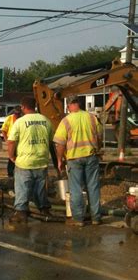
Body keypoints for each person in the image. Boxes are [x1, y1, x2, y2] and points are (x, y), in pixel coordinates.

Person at [53, 95, 103, 227]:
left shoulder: (66, 121)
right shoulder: (92, 118)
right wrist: (97, 149)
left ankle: (78, 218)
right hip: (91, 156)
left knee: (76, 189)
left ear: (69, 106)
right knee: (93, 187)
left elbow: (60, 144)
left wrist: (59, 159)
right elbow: (99, 137)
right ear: (79, 104)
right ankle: (96, 218)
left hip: (74, 159)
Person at [7, 96, 53, 223]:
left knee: (22, 187)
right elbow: (50, 141)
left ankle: (21, 212)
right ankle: (44, 209)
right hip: (42, 160)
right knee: (40, 188)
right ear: (35, 106)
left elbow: (11, 142)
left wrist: (11, 156)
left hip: (25, 161)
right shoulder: (45, 120)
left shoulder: (20, 122)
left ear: (23, 107)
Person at [1, 105, 22, 178]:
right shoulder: (9, 118)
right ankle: (10, 173)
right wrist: (6, 139)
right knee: (11, 157)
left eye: (18, 114)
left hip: (20, 142)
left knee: (19, 157)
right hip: (12, 141)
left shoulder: (22, 119)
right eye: (16, 113)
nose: (17, 115)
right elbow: (3, 130)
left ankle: (18, 172)